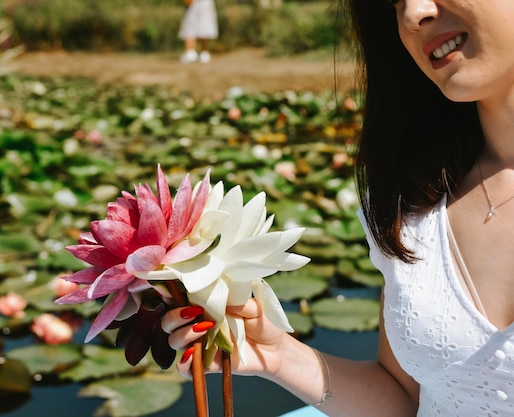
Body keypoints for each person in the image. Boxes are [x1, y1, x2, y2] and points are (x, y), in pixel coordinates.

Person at [162, 0, 514, 415]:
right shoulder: (413, 200)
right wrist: (278, 357)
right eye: (394, 3)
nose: (412, 14)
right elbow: (406, 399)